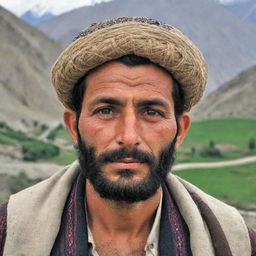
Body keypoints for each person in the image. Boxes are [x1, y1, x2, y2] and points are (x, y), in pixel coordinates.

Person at [0, 16, 255, 256]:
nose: (129, 136)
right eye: (106, 110)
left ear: (181, 130)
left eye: (152, 112)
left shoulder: (235, 243)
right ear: (73, 126)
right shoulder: (7, 234)